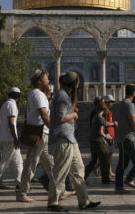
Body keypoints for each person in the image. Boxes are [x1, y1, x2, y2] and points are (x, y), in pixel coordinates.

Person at [47, 71, 101, 212]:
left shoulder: (64, 95)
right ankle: (53, 202)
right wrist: (75, 114)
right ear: (75, 84)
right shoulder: (63, 96)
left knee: (78, 170)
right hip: (63, 138)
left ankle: (84, 201)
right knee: (60, 171)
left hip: (70, 138)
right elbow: (61, 117)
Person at [17, 69, 53, 203]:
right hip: (39, 134)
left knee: (51, 165)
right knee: (31, 164)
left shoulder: (39, 94)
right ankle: (22, 193)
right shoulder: (37, 94)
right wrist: (53, 129)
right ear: (39, 81)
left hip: (43, 134)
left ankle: (59, 190)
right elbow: (44, 114)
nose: (48, 81)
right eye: (46, 78)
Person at [85, 99, 111, 184]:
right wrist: (106, 136)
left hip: (93, 140)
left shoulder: (95, 117)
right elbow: (101, 132)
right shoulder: (101, 118)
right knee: (105, 160)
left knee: (93, 161)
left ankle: (83, 177)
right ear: (104, 109)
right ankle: (106, 180)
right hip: (99, 141)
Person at [103, 94, 118, 178]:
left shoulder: (107, 110)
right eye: (111, 102)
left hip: (110, 134)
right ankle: (108, 171)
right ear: (107, 102)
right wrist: (113, 123)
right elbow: (104, 123)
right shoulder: (106, 111)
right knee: (108, 155)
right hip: (108, 135)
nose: (112, 103)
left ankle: (109, 171)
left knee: (109, 155)